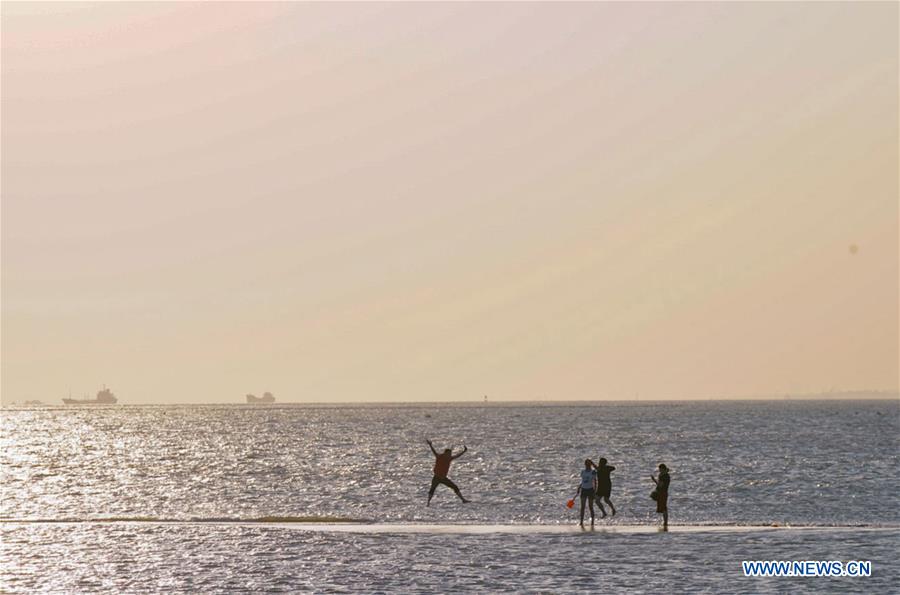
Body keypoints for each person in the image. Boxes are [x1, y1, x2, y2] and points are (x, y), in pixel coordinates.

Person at [425, 439, 469, 506]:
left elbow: (457, 456)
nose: (450, 455)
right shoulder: (439, 456)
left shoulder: (449, 458)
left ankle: (463, 500)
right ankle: (428, 503)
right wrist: (430, 445)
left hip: (443, 478)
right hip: (436, 477)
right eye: (449, 454)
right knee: (432, 489)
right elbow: (434, 451)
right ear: (445, 453)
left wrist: (464, 451)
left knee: (455, 487)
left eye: (450, 454)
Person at [576, 459, 602, 527]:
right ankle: (581, 522)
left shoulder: (593, 472)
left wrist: (595, 490)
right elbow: (583, 481)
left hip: (590, 490)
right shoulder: (583, 472)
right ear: (585, 464)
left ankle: (592, 522)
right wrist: (579, 488)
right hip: (583, 490)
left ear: (590, 464)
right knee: (582, 507)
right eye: (586, 464)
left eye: (588, 464)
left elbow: (595, 481)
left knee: (590, 507)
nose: (587, 465)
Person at [651, 463, 670, 530]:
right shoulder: (666, 475)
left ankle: (665, 522)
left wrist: (654, 480)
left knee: (664, 508)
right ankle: (665, 522)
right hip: (664, 493)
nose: (659, 471)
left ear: (663, 469)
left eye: (660, 469)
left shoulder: (664, 476)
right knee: (664, 508)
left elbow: (660, 485)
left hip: (662, 493)